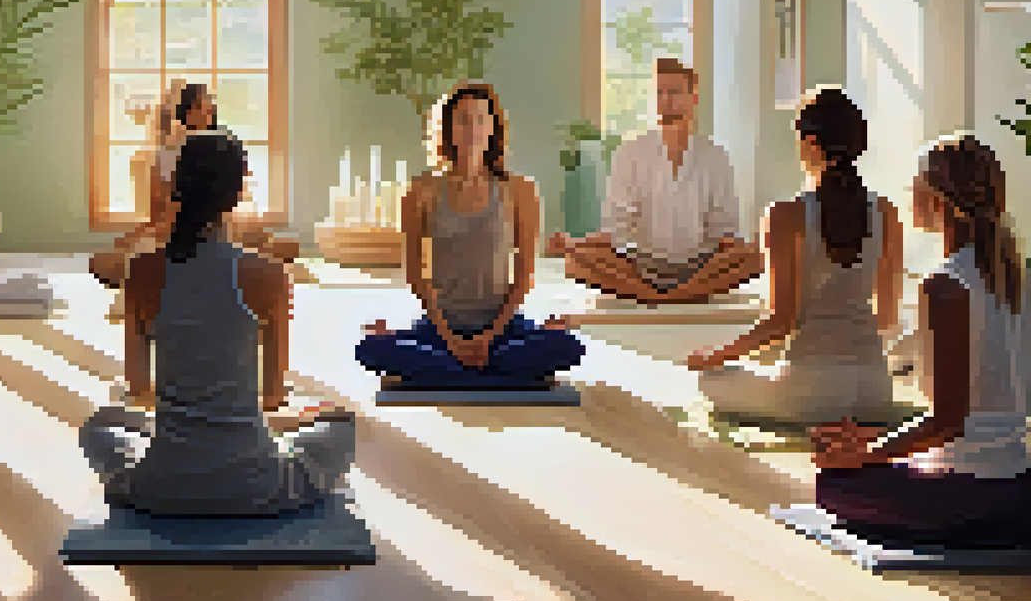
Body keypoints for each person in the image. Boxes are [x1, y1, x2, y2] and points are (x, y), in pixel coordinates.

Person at [80, 130, 354, 516]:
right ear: (240, 190)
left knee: (99, 425)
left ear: (176, 186)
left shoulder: (140, 270)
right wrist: (299, 417)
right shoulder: (271, 274)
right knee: (340, 425)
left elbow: (140, 389)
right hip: (256, 487)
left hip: (162, 487)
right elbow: (272, 397)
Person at [804, 135, 1031, 550]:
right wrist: (875, 440)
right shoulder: (1018, 278)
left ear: (937, 202)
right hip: (1020, 483)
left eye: (915, 185)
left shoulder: (945, 285)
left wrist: (864, 456)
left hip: (969, 493)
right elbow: (981, 417)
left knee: (832, 483)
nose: (908, 193)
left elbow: (949, 422)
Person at [688, 89, 905, 425]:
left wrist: (715, 355)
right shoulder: (887, 213)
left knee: (711, 380)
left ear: (811, 143)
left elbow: (782, 321)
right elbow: (888, 317)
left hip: (809, 392)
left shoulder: (785, 215)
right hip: (875, 391)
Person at [356, 83, 586, 389]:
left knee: (569, 348)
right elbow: (414, 274)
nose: (472, 128)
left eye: (480, 119)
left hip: (503, 326)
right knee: (368, 350)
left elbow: (524, 275)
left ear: (493, 128)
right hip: (440, 326)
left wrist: (487, 338)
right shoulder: (421, 190)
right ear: (447, 129)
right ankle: (495, 369)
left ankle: (450, 369)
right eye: (463, 120)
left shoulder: (520, 190)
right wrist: (452, 340)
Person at [547, 58, 764, 305]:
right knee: (576, 262)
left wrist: (747, 247)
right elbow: (615, 229)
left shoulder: (715, 155)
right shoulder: (630, 151)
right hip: (641, 265)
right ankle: (670, 295)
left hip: (701, 265)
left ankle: (658, 296)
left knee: (755, 259)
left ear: (693, 97)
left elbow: (724, 230)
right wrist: (573, 244)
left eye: (674, 92)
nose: (666, 101)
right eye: (660, 93)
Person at [93, 81, 302, 296]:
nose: (211, 110)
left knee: (287, 246)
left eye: (211, 105)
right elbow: (159, 214)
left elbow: (237, 195)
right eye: (204, 105)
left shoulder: (224, 147)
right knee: (107, 262)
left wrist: (242, 217)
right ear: (189, 111)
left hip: (223, 225)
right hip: (183, 228)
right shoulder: (168, 153)